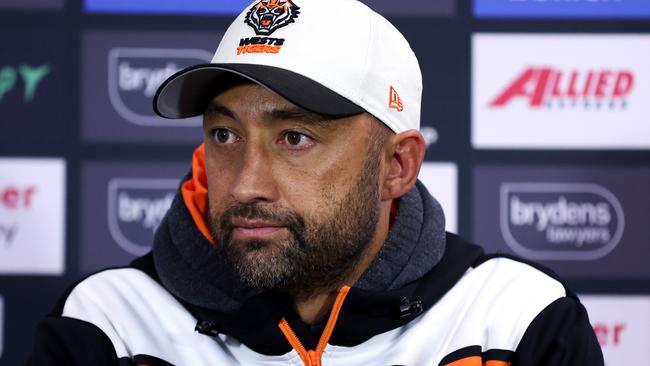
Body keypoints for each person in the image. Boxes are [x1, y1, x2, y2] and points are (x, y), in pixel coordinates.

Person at [28, 0, 604, 365]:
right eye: (225, 136)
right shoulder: (109, 324)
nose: (247, 184)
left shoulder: (515, 320)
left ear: (396, 166)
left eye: (294, 138)